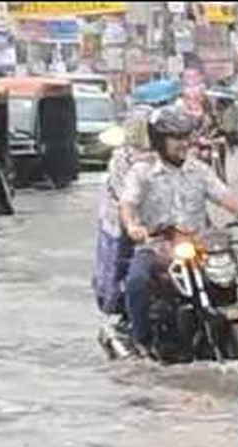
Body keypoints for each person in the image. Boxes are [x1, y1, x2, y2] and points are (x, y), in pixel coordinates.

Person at [116, 108, 238, 356]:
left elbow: (227, 199)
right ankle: (141, 342)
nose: (183, 143)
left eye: (185, 137)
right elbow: (127, 204)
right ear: (159, 140)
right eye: (176, 138)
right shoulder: (142, 172)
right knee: (136, 281)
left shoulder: (199, 170)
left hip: (198, 246)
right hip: (157, 247)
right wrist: (133, 226)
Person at [93, 106, 152, 317]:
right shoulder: (122, 158)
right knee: (123, 256)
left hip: (157, 217)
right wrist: (133, 222)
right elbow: (123, 195)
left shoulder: (161, 155)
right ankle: (118, 300)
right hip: (121, 215)